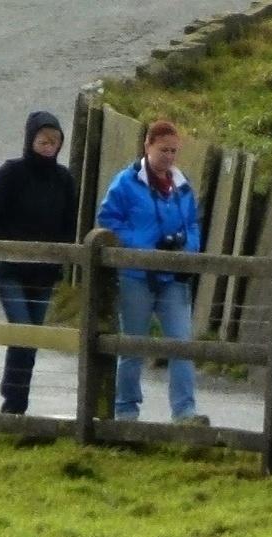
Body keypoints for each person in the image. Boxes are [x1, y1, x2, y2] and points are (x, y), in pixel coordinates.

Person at [96, 118, 208, 426]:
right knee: (133, 345)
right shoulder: (125, 183)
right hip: (136, 276)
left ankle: (185, 412)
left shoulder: (183, 186)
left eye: (174, 151)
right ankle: (126, 411)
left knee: (181, 344)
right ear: (147, 146)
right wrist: (147, 247)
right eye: (163, 150)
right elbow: (108, 223)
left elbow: (193, 225)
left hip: (173, 277)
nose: (169, 158)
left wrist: (187, 252)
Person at [0, 110, 79, 415]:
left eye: (54, 143)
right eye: (43, 141)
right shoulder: (10, 174)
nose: (48, 147)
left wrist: (59, 257)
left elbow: (68, 225)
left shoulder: (63, 180)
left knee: (32, 337)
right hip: (10, 270)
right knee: (21, 329)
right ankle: (13, 401)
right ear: (30, 140)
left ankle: (18, 401)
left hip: (44, 274)